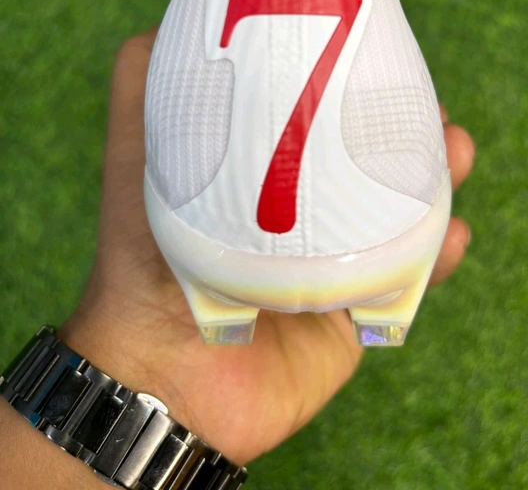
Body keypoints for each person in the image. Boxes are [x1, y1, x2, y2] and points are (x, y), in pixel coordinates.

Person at [0, 29, 475, 488]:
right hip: (344, 249)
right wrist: (153, 374)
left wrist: (150, 373)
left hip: (227, 257)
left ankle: (372, 310)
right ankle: (381, 312)